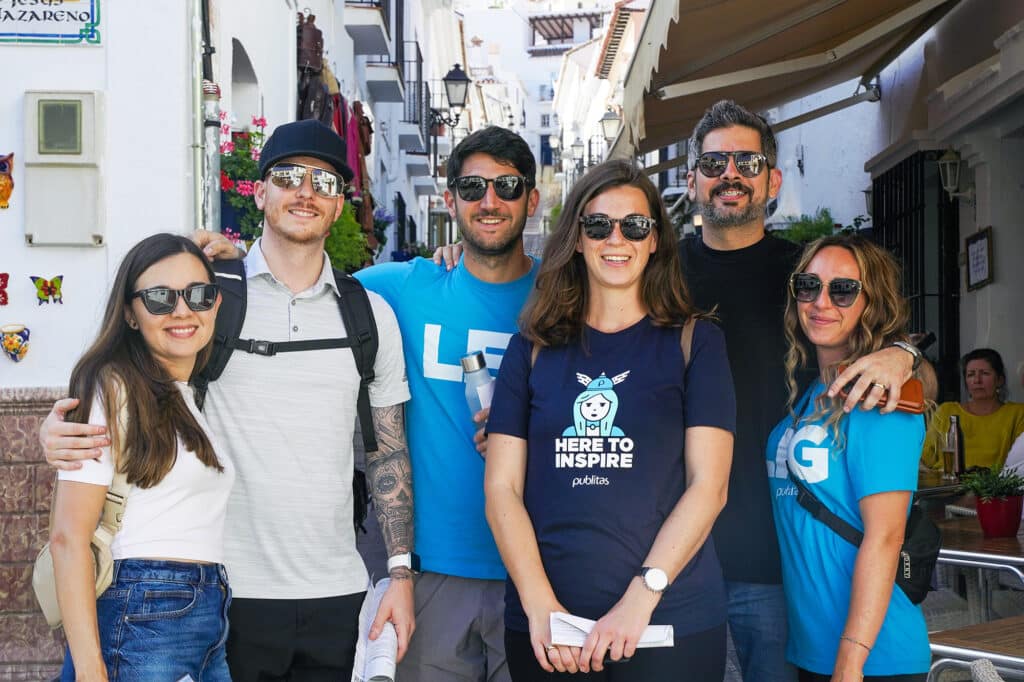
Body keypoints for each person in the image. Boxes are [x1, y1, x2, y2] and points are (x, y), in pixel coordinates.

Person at [40, 119, 415, 680]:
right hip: (224, 591)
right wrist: (62, 430)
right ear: (259, 192)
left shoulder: (370, 316)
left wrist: (401, 574)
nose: (305, 191)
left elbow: (387, 451)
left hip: (337, 590)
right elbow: (132, 364)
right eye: (287, 176)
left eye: (325, 181)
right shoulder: (212, 295)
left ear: (341, 205)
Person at [679, 100, 926, 682]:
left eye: (747, 161)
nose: (730, 175)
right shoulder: (656, 272)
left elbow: (894, 365)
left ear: (773, 179)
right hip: (677, 559)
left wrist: (903, 353)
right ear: (691, 179)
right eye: (714, 163)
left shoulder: (811, 276)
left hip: (779, 567)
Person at [486, 159, 735, 680]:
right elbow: (502, 489)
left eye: (634, 226)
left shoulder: (696, 342)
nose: (615, 239)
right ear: (576, 239)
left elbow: (709, 487)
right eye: (598, 225)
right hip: (548, 630)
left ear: (654, 242)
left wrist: (641, 598)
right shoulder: (530, 350)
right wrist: (540, 606)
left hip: (670, 624)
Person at [354, 126, 541, 682]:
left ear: (532, 199)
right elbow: (304, 287)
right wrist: (225, 267)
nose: (489, 201)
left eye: (507, 187)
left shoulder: (567, 299)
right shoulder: (405, 287)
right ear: (450, 200)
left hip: (538, 570)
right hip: (430, 572)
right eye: (472, 186)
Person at [52, 233, 233, 681]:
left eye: (198, 295)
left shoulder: (184, 394)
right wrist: (92, 671)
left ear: (216, 303)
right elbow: (68, 538)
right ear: (130, 314)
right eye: (158, 298)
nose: (182, 310)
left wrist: (241, 251)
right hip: (143, 614)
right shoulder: (110, 387)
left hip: (205, 615)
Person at [766, 234, 930, 681]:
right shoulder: (814, 393)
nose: (821, 302)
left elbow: (886, 536)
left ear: (870, 302)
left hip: (872, 659)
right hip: (812, 651)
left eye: (843, 290)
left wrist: (850, 662)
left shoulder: (882, 399)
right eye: (809, 286)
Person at [920, 348, 1024, 471]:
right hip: (947, 486)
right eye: (971, 375)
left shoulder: (1017, 413)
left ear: (999, 380)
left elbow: (1018, 464)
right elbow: (926, 458)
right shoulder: (947, 411)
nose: (977, 380)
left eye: (985, 373)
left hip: (993, 487)